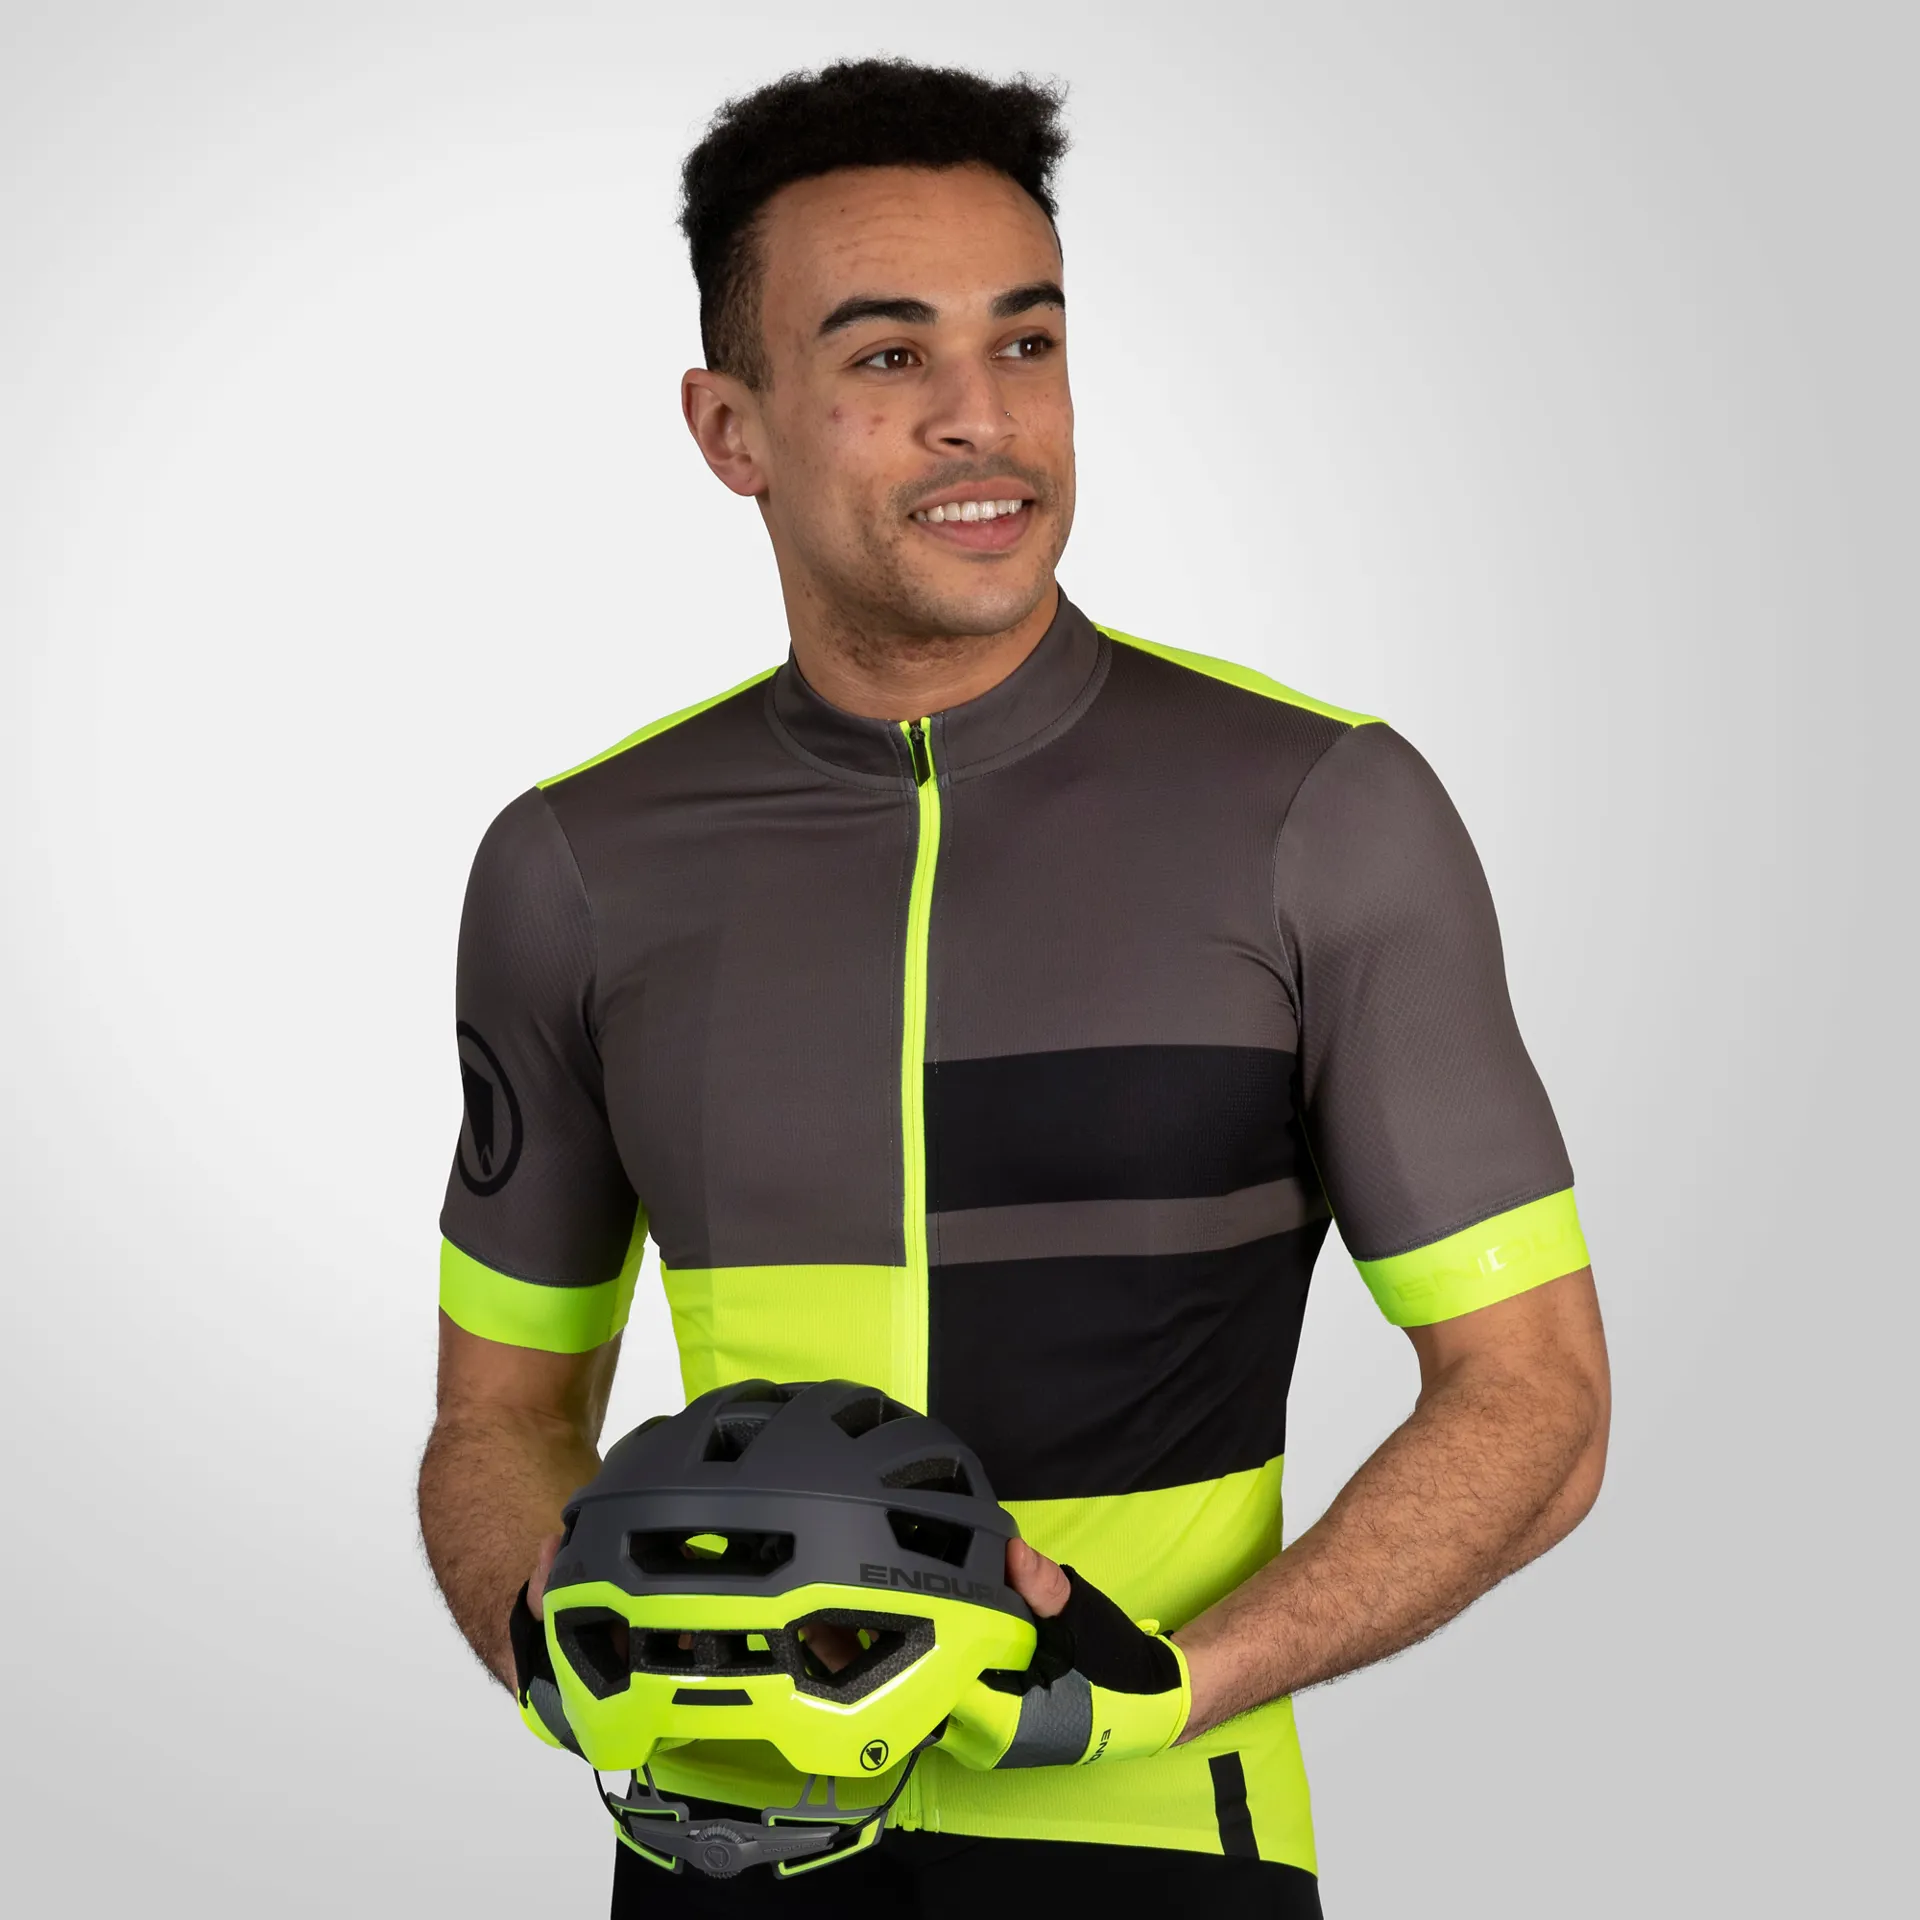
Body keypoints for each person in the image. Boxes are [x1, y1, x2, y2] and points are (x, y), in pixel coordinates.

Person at [417, 58, 1610, 1916]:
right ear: (731, 428)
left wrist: (1171, 1689)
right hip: (720, 1858)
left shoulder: (1319, 813)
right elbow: (497, 1417)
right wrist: (547, 1643)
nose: (985, 419)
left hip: (1162, 1848)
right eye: (891, 356)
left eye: (1028, 344)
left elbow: (1535, 1404)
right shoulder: (577, 865)